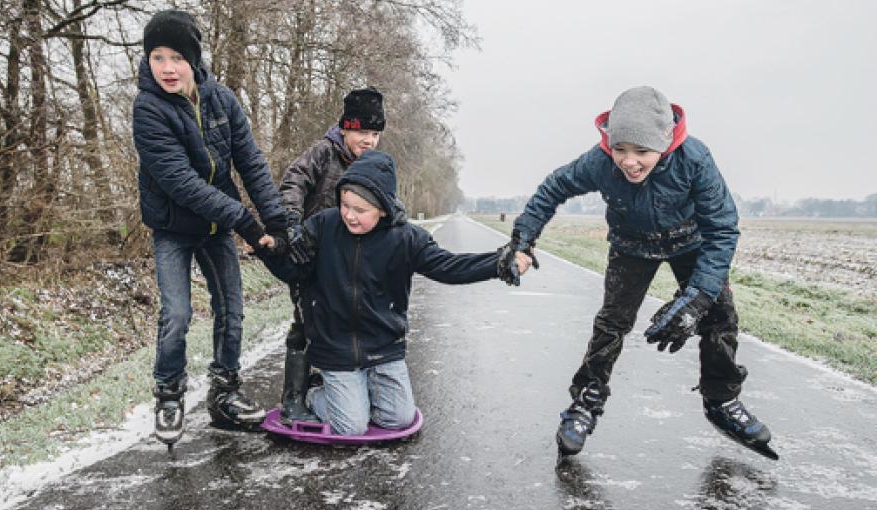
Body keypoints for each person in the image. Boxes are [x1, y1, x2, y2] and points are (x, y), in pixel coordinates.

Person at [502, 86, 775, 459]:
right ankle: (586, 401)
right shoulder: (598, 162)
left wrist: (696, 298)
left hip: (689, 242)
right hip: (631, 245)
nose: (629, 162)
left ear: (665, 142)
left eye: (641, 152)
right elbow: (553, 188)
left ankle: (722, 399)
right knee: (612, 324)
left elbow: (723, 228)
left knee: (720, 318)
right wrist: (522, 241)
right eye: (620, 150)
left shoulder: (694, 159)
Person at [261, 151, 522, 435]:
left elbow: (450, 267)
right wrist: (271, 251)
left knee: (399, 418)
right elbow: (293, 272)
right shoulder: (324, 225)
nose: (348, 215)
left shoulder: (407, 239)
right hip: (335, 348)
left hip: (383, 347)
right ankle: (313, 393)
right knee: (351, 426)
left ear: (383, 209)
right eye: (345, 204)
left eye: (360, 210)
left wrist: (497, 264)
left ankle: (353, 396)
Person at [133, 10, 289, 446]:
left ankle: (224, 393)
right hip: (173, 227)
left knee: (232, 310)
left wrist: (276, 220)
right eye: (157, 57)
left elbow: (251, 163)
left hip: (217, 225)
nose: (166, 67)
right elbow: (180, 183)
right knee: (178, 314)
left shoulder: (221, 99)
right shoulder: (147, 109)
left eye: (176, 57)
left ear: (194, 59)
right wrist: (245, 220)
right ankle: (168, 394)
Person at [276, 87, 385, 424]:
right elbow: (293, 181)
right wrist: (293, 223)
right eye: (361, 132)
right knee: (306, 322)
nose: (367, 140)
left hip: (346, 260)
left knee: (339, 320)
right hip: (309, 254)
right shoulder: (324, 152)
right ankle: (293, 397)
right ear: (345, 129)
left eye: (374, 133)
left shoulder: (372, 165)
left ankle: (323, 383)